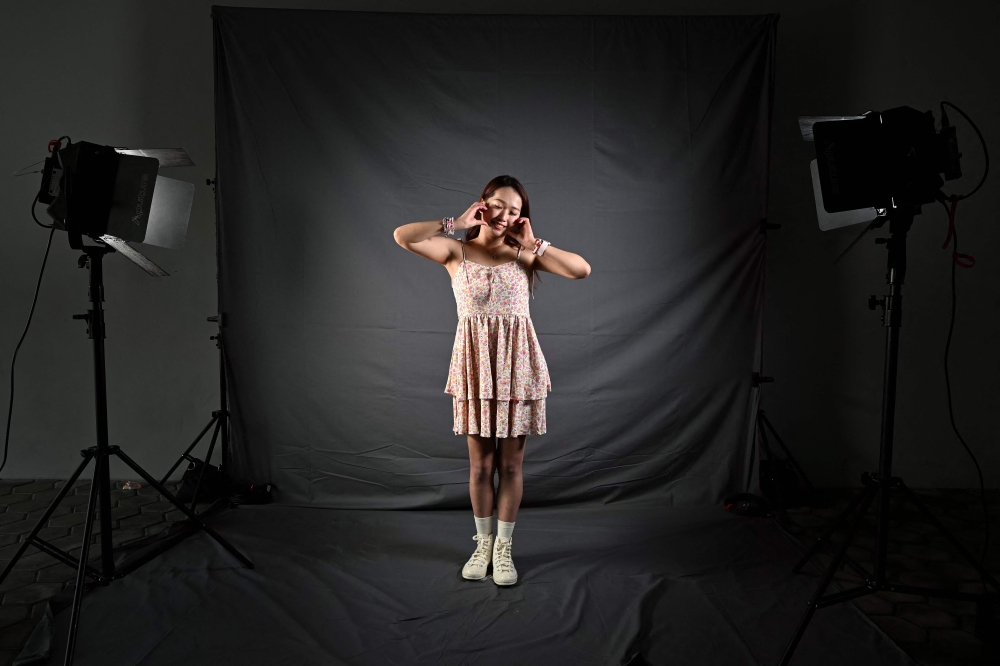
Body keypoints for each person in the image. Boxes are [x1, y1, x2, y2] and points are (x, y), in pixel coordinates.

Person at [393, 175, 591, 586]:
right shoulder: (456, 251)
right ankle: (482, 544)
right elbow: (403, 236)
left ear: (523, 218)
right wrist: (456, 221)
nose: (505, 215)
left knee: (511, 465)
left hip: (517, 369)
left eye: (515, 210)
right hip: (475, 370)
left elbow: (581, 270)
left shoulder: (525, 256)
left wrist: (534, 243)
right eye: (498, 205)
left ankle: (504, 548)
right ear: (483, 203)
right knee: (481, 466)